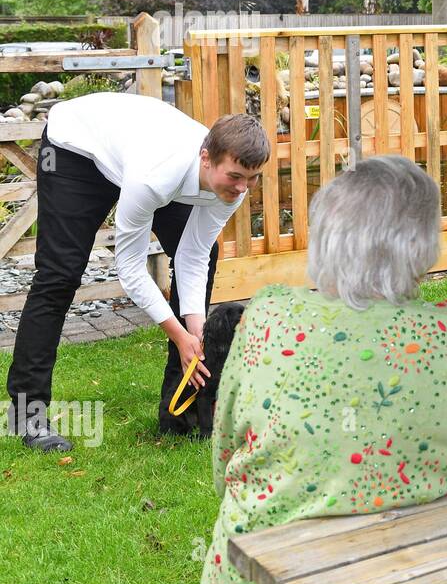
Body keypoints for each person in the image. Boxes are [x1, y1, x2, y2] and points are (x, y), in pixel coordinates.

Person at [202, 155, 447, 584]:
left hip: (243, 581)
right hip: (396, 576)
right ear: (422, 245)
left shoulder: (265, 313)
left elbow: (224, 456)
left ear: (323, 234)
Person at [5, 93, 269, 451]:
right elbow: (129, 266)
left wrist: (195, 330)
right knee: (59, 275)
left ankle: (180, 412)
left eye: (251, 179)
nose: (242, 189)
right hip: (77, 150)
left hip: (140, 151)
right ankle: (28, 416)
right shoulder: (155, 177)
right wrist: (178, 335)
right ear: (206, 158)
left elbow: (193, 255)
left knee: (208, 256)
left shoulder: (233, 182)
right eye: (236, 177)